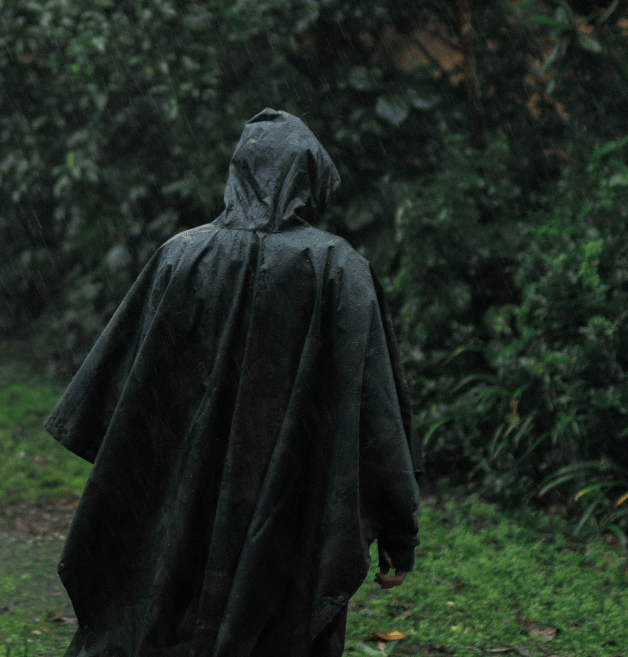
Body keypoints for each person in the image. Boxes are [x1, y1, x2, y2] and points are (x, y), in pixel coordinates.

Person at [44, 108, 422, 657]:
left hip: (177, 515)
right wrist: (397, 533)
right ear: (311, 181)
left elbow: (113, 404)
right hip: (290, 515)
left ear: (238, 173)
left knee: (160, 624)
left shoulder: (181, 257)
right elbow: (378, 417)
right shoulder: (340, 271)